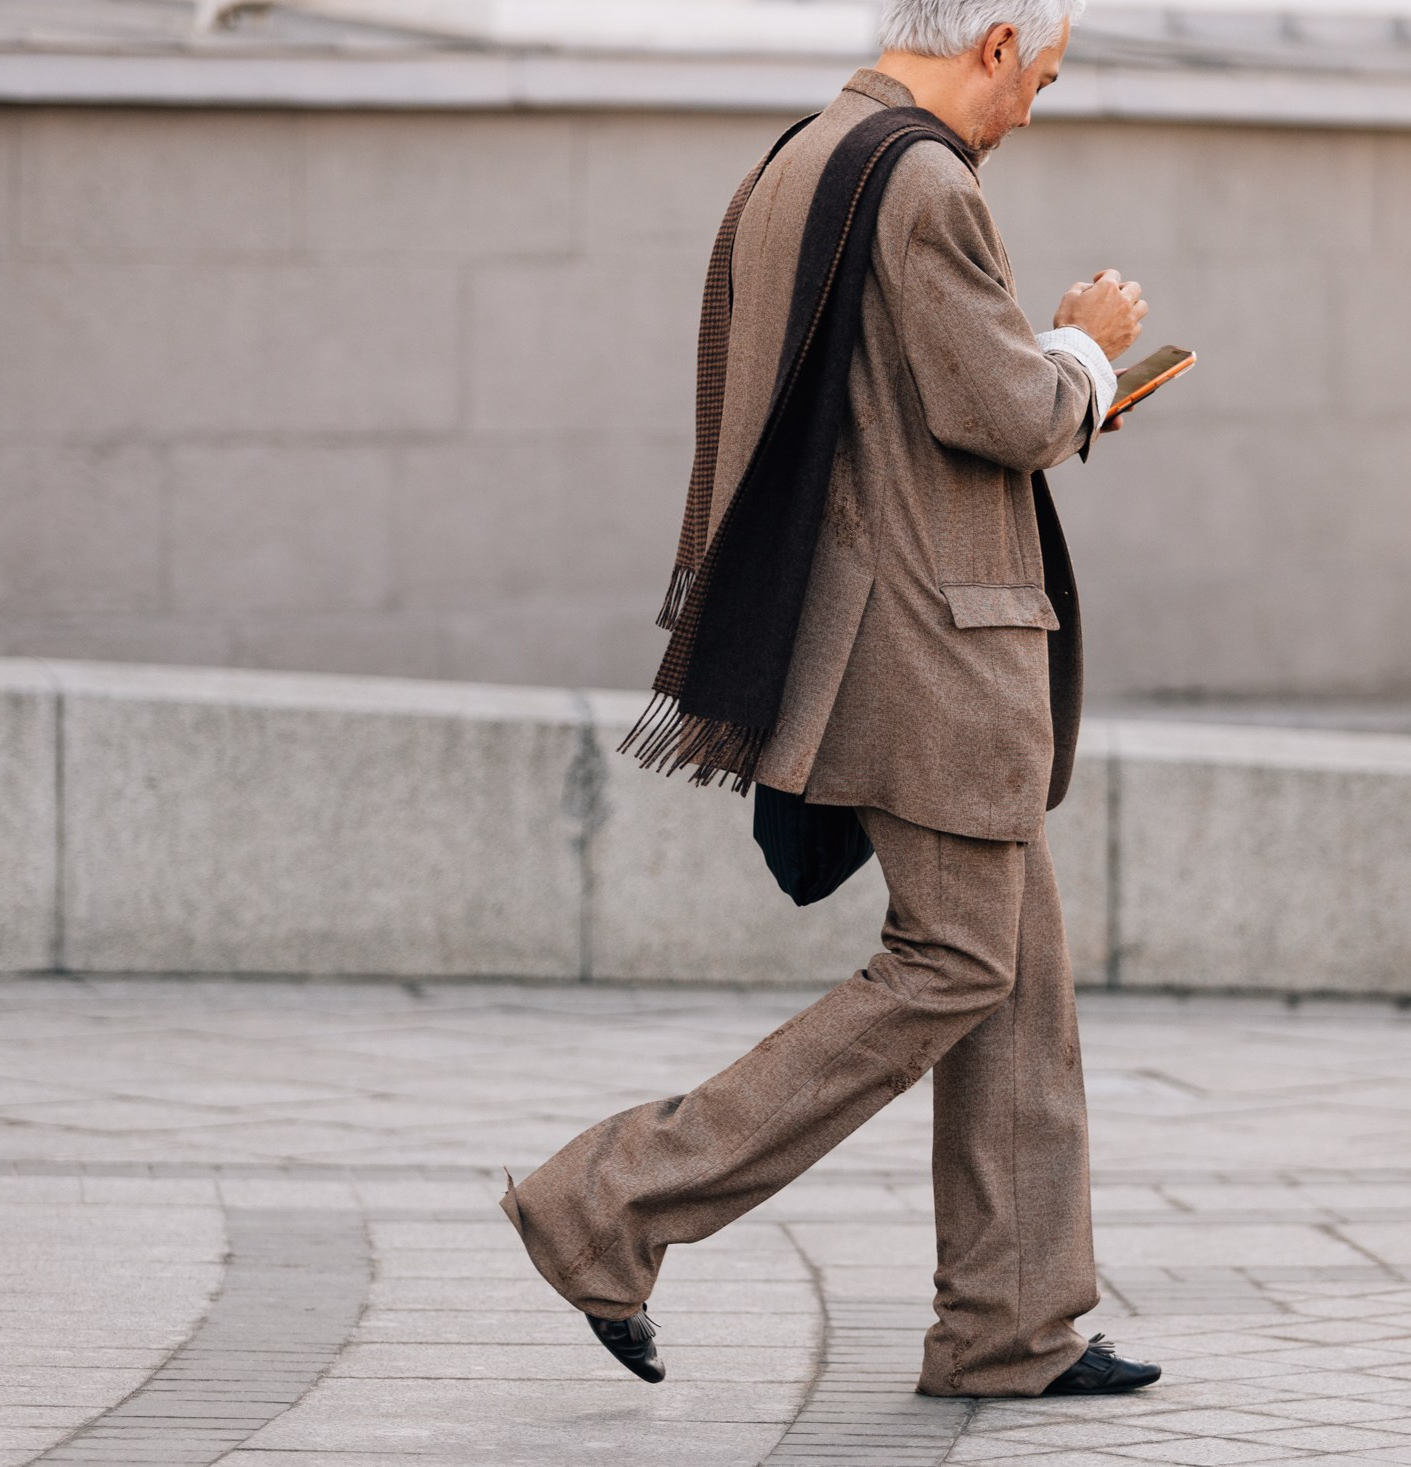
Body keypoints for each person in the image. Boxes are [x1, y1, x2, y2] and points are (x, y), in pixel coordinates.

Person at [502, 0, 1161, 1399]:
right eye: (1039, 75)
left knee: (1016, 971)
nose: (1033, 108)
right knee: (958, 964)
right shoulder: (924, 182)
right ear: (993, 42)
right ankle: (604, 1206)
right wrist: (1089, 354)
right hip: (930, 657)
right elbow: (1000, 411)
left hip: (866, 638)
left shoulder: (809, 151)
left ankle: (1012, 1327)